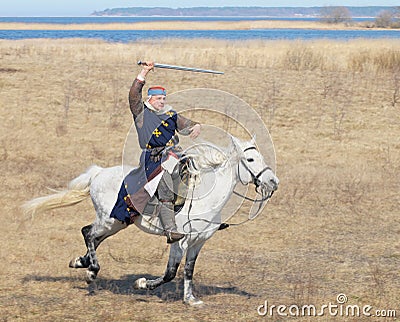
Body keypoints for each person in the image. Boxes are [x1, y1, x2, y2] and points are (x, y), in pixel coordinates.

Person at [121, 61, 201, 244]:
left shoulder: (170, 114)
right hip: (154, 159)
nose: (162, 102)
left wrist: (195, 126)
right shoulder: (141, 112)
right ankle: (170, 231)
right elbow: (133, 95)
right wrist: (144, 72)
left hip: (174, 154)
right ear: (150, 99)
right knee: (165, 187)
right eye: (158, 99)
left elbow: (185, 125)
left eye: (164, 99)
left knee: (197, 171)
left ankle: (201, 217)